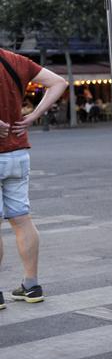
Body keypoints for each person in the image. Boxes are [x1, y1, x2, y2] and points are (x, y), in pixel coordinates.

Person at [0, 49, 67, 309]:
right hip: (18, 152)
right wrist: (32, 116)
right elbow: (59, 82)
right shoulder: (16, 61)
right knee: (22, 219)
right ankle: (31, 285)